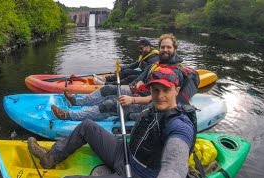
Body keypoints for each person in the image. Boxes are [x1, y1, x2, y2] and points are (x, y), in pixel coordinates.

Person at [28, 67, 195, 178]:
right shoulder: (154, 107)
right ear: (150, 90)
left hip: (136, 175)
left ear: (177, 90)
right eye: (156, 90)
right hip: (124, 153)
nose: (160, 95)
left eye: (166, 90)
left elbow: (174, 166)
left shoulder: (179, 125)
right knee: (87, 126)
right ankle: (50, 158)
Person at [52, 33, 197, 121]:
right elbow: (142, 76)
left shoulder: (175, 72)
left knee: (110, 104)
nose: (165, 50)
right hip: (141, 93)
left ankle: (68, 116)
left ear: (175, 49)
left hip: (151, 105)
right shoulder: (157, 64)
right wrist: (136, 83)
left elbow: (157, 98)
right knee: (108, 89)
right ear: (158, 48)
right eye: (162, 47)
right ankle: (76, 101)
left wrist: (132, 99)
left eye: (168, 47)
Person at [94, 38, 159, 85]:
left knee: (130, 77)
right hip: (141, 72)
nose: (140, 50)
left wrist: (135, 80)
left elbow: (145, 74)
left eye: (141, 48)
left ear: (148, 47)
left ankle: (107, 84)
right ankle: (107, 79)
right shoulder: (145, 55)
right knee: (125, 71)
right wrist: (122, 68)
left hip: (146, 77)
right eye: (139, 48)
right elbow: (135, 65)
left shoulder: (153, 58)